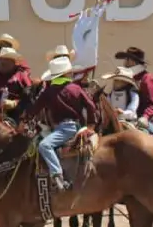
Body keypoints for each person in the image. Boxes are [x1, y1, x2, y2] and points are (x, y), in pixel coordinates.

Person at [20, 56, 98, 192]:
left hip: (63, 129)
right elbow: (91, 105)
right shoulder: (76, 88)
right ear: (67, 73)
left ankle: (58, 176)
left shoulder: (49, 92)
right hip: (77, 126)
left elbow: (34, 109)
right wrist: (91, 124)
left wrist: (24, 118)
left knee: (44, 145)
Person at [114, 47, 153, 136]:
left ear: (132, 61)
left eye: (126, 59)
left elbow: (151, 103)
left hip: (138, 120)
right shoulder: (124, 77)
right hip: (118, 118)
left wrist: (145, 117)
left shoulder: (147, 79)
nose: (124, 62)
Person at [0, 41, 33, 120]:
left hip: (15, 114)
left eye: (7, 60)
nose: (3, 62)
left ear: (14, 62)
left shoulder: (22, 76)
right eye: (2, 59)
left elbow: (30, 96)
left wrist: (15, 103)